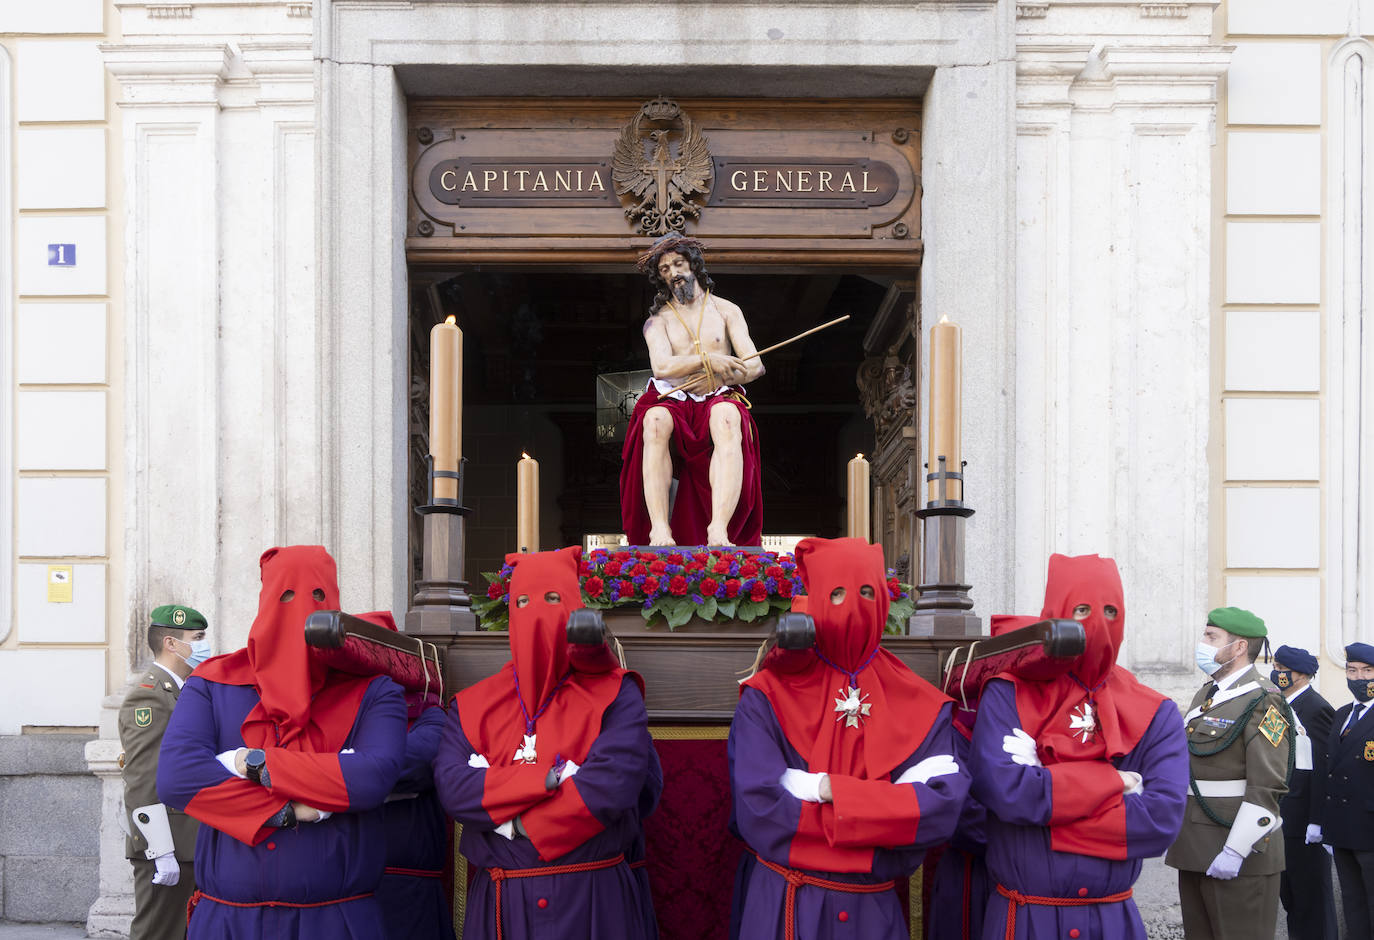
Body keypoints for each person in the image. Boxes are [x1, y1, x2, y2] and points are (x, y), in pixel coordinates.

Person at [157, 545, 408, 937]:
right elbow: (177, 778)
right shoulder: (212, 682)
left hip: (336, 922)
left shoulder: (375, 691)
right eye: (286, 596)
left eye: (318, 596)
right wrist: (290, 810)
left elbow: (371, 778)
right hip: (229, 922)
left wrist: (250, 763)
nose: (301, 609)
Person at [729, 536, 969, 940]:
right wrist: (888, 812)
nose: (854, 607)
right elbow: (761, 815)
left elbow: (938, 814)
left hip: (872, 914)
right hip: (786, 908)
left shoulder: (922, 703)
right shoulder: (766, 694)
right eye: (837, 593)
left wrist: (819, 788)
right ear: (817, 597)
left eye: (866, 592)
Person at [432, 546, 661, 940]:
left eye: (553, 599)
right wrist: (547, 779)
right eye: (523, 601)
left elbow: (611, 787)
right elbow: (453, 788)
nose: (537, 613)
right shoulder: (474, 705)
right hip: (503, 906)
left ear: (574, 605)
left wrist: (511, 822)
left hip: (592, 901)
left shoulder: (616, 694)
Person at [970, 554, 1188, 939]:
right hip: (1026, 920)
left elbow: (1160, 822)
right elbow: (1005, 792)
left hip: (1110, 922)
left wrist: (1045, 802)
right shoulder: (1008, 691)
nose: (1098, 624)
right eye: (1082, 609)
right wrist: (1113, 785)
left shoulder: (1157, 712)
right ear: (1056, 613)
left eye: (1110, 611)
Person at [619, 233, 764, 547]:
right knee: (654, 421)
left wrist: (722, 377)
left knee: (727, 416)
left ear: (694, 265)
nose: (672, 272)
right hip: (673, 397)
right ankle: (659, 528)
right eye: (665, 268)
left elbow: (755, 366)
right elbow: (662, 367)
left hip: (717, 396)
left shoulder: (727, 311)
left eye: (678, 263)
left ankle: (718, 528)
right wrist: (709, 359)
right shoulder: (658, 321)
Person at [1165, 606, 1294, 940]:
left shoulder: (1263, 700)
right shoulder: (1207, 695)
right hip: (1195, 845)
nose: (1203, 644)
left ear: (1238, 647)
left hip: (1236, 847)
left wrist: (1236, 849)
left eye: (1211, 637)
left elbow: (1268, 784)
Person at [355, 610, 456, 940]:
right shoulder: (332, 714)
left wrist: (337, 777)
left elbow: (416, 760)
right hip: (345, 888)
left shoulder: (429, 714)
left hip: (408, 894)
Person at [119, 604, 210, 940]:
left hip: (189, 842)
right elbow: (143, 778)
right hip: (169, 846)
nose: (204, 645)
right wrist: (161, 852)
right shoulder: (150, 698)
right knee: (158, 933)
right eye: (197, 638)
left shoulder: (180, 692)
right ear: (172, 644)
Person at [1270, 644, 1336, 940]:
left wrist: (1317, 819)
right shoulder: (1279, 704)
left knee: (1312, 902)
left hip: (1303, 822)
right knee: (1292, 899)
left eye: (1282, 669)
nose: (1277, 674)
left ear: (1300, 674)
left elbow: (1323, 768)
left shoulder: (1316, 708)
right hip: (1281, 817)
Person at [1314, 641, 1374, 940]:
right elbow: (1330, 769)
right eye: (1352, 671)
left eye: (1367, 671)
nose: (1359, 678)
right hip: (1342, 826)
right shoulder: (1341, 714)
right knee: (1353, 901)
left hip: (1370, 826)